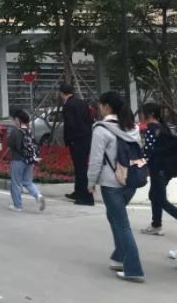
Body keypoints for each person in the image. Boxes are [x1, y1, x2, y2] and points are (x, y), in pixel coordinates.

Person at [87, 91, 145, 282]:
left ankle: (134, 269)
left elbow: (96, 160)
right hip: (131, 181)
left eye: (100, 105)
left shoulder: (101, 129)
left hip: (111, 183)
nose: (99, 108)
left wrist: (91, 182)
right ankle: (119, 257)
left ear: (107, 106)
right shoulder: (132, 127)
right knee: (114, 217)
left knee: (121, 223)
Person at [140, 103, 177, 236]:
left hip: (158, 168)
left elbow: (147, 151)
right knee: (154, 196)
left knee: (160, 199)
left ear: (150, 114)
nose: (141, 115)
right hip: (167, 169)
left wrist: (138, 164)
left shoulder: (151, 129)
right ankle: (156, 225)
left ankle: (156, 225)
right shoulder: (163, 127)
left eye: (143, 112)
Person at [60, 83, 95, 206]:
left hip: (77, 140)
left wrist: (70, 140)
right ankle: (78, 192)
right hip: (86, 138)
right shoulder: (82, 103)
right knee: (80, 168)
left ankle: (87, 198)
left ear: (61, 93)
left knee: (81, 169)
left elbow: (70, 125)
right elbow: (90, 120)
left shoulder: (68, 105)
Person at [7, 109, 46, 212]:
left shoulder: (15, 130)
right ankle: (38, 195)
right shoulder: (28, 129)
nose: (13, 121)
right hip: (29, 160)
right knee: (28, 182)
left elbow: (10, 144)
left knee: (16, 183)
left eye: (13, 119)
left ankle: (17, 206)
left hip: (17, 160)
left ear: (17, 119)